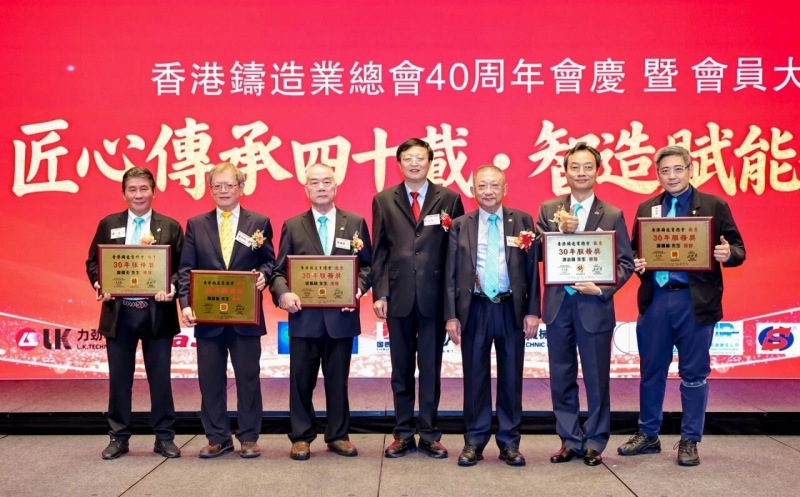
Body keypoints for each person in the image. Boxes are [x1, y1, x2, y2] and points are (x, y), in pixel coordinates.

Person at [617, 145, 745, 466]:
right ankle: (648, 433)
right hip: (657, 299)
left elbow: (738, 249)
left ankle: (690, 439)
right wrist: (637, 262)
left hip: (695, 301)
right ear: (657, 175)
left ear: (691, 169)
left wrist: (728, 254)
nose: (671, 176)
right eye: (665, 171)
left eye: (678, 169)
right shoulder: (647, 208)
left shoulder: (714, 205)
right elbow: (634, 252)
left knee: (694, 373)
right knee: (651, 370)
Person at [536, 142, 634, 466]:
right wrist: (557, 231)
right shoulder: (549, 209)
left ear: (597, 171)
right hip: (558, 306)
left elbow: (625, 263)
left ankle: (594, 440)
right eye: (574, 167)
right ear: (565, 172)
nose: (581, 173)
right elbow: (538, 253)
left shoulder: (612, 214)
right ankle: (569, 439)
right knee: (561, 376)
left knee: (596, 378)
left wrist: (602, 288)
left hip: (594, 307)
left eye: (587, 167)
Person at [269, 164, 372, 461]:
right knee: (301, 381)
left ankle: (338, 435)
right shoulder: (293, 225)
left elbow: (368, 266)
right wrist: (283, 293)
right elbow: (278, 271)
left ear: (336, 186)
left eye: (327, 181)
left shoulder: (355, 222)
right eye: (314, 182)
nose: (321, 187)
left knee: (338, 382)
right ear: (306, 189)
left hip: (341, 318)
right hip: (305, 318)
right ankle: (301, 437)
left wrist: (357, 290)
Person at [371, 138, 465, 459]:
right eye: (408, 159)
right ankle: (402, 433)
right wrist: (380, 292)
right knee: (400, 370)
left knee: (430, 369)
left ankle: (428, 433)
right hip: (397, 297)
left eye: (420, 158)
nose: (414, 163)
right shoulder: (384, 199)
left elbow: (456, 252)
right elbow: (380, 251)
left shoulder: (449, 199)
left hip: (434, 298)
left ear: (430, 162)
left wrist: (453, 302)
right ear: (399, 164)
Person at [445, 165, 540, 467]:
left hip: (511, 308)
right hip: (474, 308)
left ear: (505, 189)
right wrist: (451, 316)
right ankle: (474, 441)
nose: (488, 191)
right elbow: (449, 274)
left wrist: (533, 311)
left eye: (494, 185)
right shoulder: (460, 225)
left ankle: (509, 442)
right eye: (482, 186)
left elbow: (532, 271)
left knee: (512, 377)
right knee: (475, 376)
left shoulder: (522, 221)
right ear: (473, 190)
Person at [178, 162, 275, 459]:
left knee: (248, 377)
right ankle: (218, 437)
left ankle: (249, 437)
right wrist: (186, 303)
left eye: (229, 185)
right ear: (210, 190)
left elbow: (270, 261)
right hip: (208, 316)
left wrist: (264, 275)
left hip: (246, 315)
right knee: (210, 379)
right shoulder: (196, 224)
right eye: (217, 186)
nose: (223, 191)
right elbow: (185, 269)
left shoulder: (259, 222)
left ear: (241, 188)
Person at [86, 167, 184, 460]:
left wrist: (171, 287)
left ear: (154, 191)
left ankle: (164, 437)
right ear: (124, 193)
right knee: (119, 380)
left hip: (158, 313)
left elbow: (182, 268)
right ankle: (118, 437)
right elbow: (93, 262)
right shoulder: (109, 224)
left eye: (144, 188)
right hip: (120, 314)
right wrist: (100, 283)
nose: (138, 194)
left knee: (160, 380)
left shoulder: (170, 226)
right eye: (132, 189)